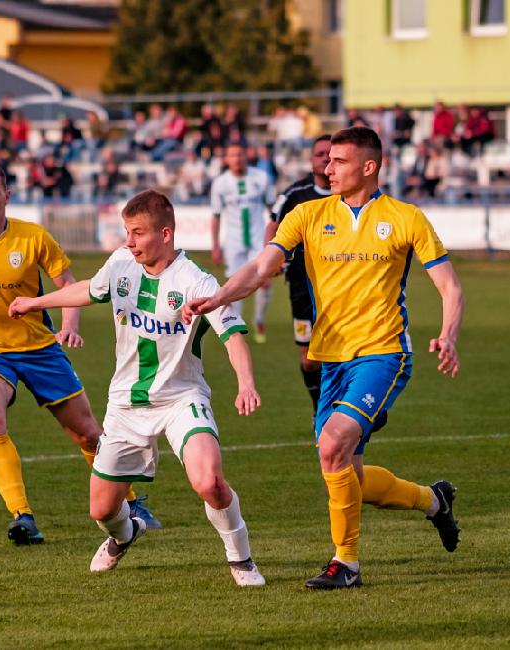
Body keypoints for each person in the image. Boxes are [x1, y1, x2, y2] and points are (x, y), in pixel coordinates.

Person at [186, 126, 464, 589]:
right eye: (327, 160)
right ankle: (434, 501)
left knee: (333, 445)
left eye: (338, 161)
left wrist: (448, 335)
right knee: (346, 473)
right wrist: (219, 297)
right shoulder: (307, 214)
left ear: (369, 167)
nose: (327, 168)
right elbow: (261, 267)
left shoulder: (406, 218)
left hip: (383, 353)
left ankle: (346, 565)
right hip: (330, 358)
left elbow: (450, 286)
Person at [8, 190, 266, 587]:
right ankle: (124, 534)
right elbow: (89, 290)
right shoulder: (120, 263)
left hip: (181, 398)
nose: (129, 241)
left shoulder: (196, 281)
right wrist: (34, 302)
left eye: (138, 233)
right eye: (127, 232)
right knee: (101, 510)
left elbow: (232, 337)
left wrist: (246, 383)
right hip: (127, 404)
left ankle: (241, 559)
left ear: (165, 234)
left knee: (210, 482)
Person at [0, 161, 160, 545]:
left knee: (88, 435)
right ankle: (22, 516)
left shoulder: (33, 237)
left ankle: (130, 501)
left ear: (7, 196)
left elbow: (67, 283)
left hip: (42, 349)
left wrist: (70, 325)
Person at [263, 134, 332, 416]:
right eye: (320, 154)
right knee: (309, 359)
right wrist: (271, 259)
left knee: (346, 354)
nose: (325, 158)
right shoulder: (296, 194)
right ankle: (319, 410)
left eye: (330, 153)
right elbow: (273, 225)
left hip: (342, 285)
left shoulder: (350, 193)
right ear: (311, 159)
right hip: (302, 285)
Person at [209, 143, 274, 343]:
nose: (237, 159)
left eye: (240, 154)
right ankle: (236, 325)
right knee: (234, 284)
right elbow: (216, 216)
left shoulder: (261, 178)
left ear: (246, 156)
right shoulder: (220, 183)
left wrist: (273, 242)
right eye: (232, 155)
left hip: (258, 239)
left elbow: (274, 212)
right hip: (234, 242)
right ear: (226, 159)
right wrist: (215, 245)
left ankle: (260, 320)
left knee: (264, 282)